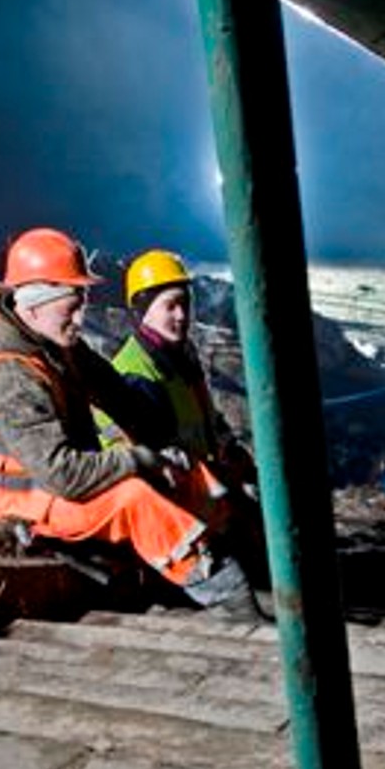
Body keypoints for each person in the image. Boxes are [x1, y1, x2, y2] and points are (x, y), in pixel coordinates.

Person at [0, 227, 259, 614]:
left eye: (83, 301)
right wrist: (139, 460)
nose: (81, 317)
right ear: (32, 306)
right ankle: (233, 603)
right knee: (135, 499)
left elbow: (121, 398)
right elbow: (64, 476)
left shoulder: (53, 340)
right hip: (25, 494)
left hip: (60, 472)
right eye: (71, 305)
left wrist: (169, 453)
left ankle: (236, 559)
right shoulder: (5, 376)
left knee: (195, 478)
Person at [96, 249, 267, 585]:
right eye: (170, 305)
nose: (182, 315)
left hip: (199, 484)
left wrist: (232, 452)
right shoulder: (136, 372)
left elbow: (207, 419)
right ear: (143, 309)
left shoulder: (179, 356)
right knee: (247, 538)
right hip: (168, 504)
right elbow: (160, 463)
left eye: (185, 304)